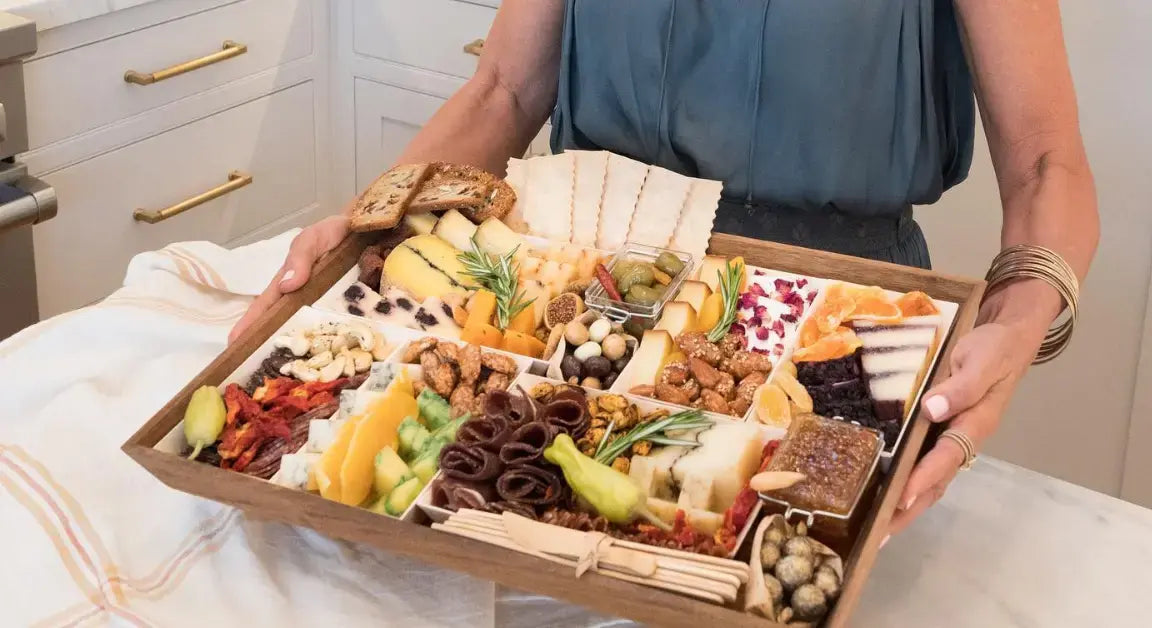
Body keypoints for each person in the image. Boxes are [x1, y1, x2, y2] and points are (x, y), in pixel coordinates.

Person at [231, 0, 1099, 538]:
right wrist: (368, 222)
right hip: (583, 321)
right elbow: (503, 90)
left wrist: (1018, 328)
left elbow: (1045, 164)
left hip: (834, 334)